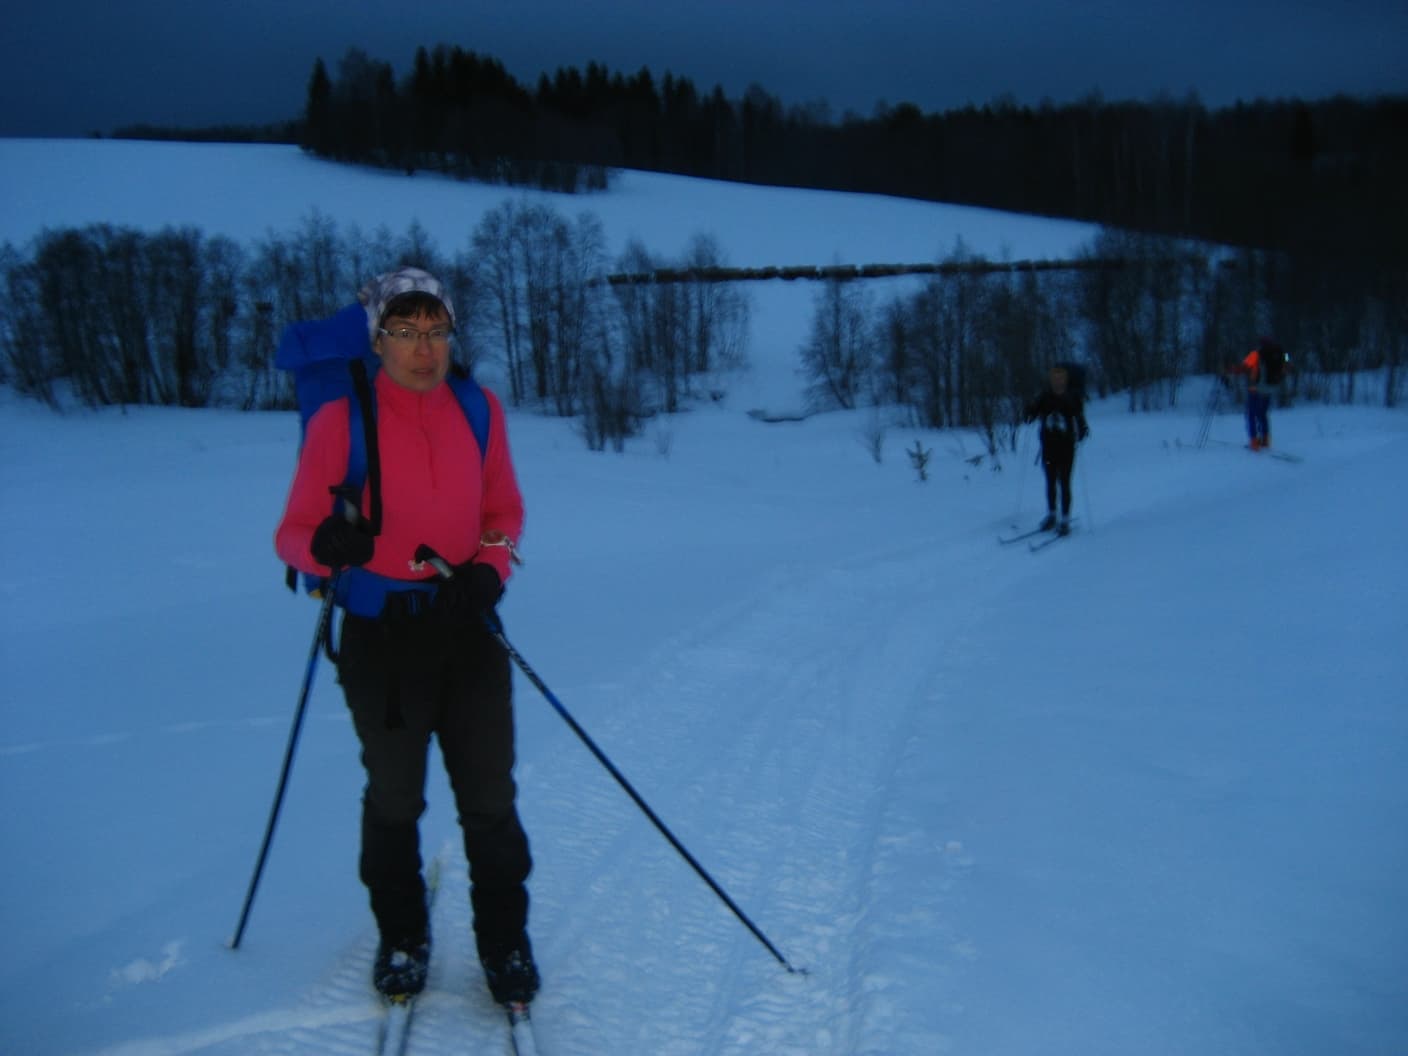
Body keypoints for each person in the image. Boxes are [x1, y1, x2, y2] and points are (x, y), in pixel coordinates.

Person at [274, 267, 539, 1007]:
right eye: (404, 333)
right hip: (382, 639)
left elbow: (508, 518)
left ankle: (505, 943)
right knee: (395, 797)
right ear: (377, 340)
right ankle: (402, 937)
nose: (424, 350)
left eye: (436, 332)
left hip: (469, 629)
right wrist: (323, 547)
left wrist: (492, 572)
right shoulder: (341, 419)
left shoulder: (479, 409)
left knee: (490, 795)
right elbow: (290, 536)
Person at [1023, 364, 1089, 535]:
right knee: (1051, 482)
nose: (1057, 382)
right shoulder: (1044, 398)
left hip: (1066, 447)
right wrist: (1028, 410)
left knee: (1065, 483)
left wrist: (1082, 430)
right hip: (1048, 447)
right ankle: (1052, 515)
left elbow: (1080, 419)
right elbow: (1031, 416)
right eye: (1054, 379)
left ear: (1065, 381)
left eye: (1060, 379)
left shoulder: (1072, 398)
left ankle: (1065, 519)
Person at [1226, 336, 1283, 450]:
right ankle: (1265, 440)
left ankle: (1254, 442)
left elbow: (1243, 367)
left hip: (1256, 389)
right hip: (1270, 388)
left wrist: (1230, 369)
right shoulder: (1280, 353)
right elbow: (1287, 365)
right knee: (1263, 414)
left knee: (1251, 415)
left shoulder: (1256, 354)